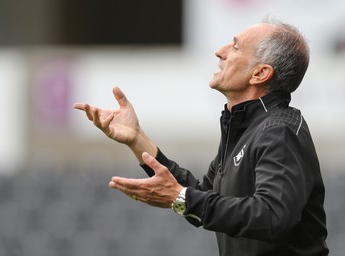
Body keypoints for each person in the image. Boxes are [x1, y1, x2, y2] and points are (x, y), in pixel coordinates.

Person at [74, 18, 329, 256]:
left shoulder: (278, 130)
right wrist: (136, 138)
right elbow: (202, 194)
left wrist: (181, 197)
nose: (220, 51)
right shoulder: (244, 126)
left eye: (236, 48)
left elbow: (272, 216)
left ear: (260, 73)